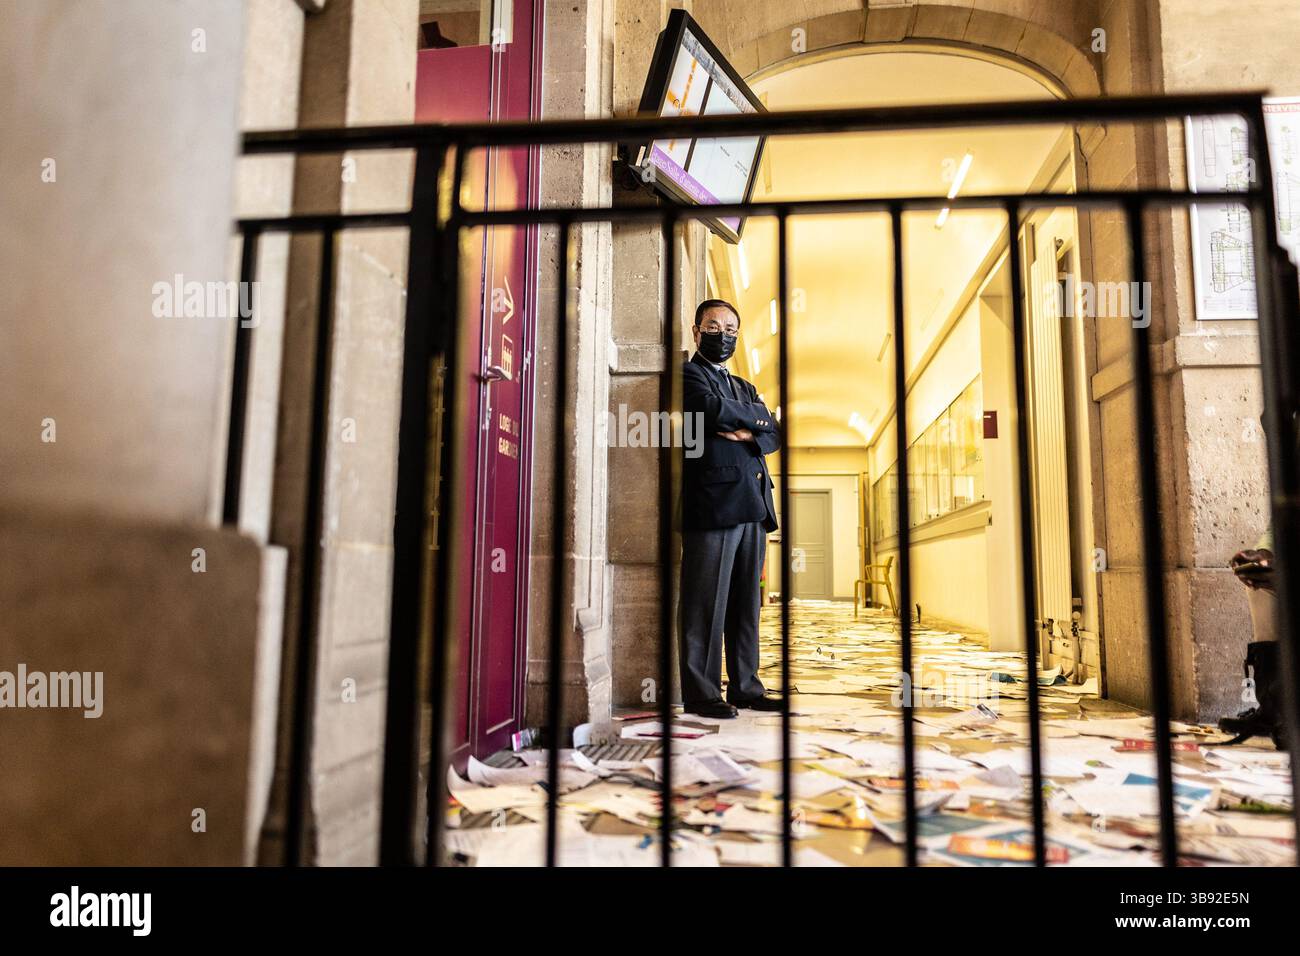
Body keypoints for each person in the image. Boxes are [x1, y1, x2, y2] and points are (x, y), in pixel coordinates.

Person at [678, 299, 783, 719]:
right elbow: (710, 410)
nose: (723, 333)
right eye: (714, 325)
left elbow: (773, 431)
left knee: (745, 604)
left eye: (731, 327)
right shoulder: (688, 374)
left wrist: (752, 427)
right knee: (705, 602)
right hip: (714, 503)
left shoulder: (745, 385)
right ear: (697, 330)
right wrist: (754, 421)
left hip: (754, 503)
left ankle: (746, 686)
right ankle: (702, 692)